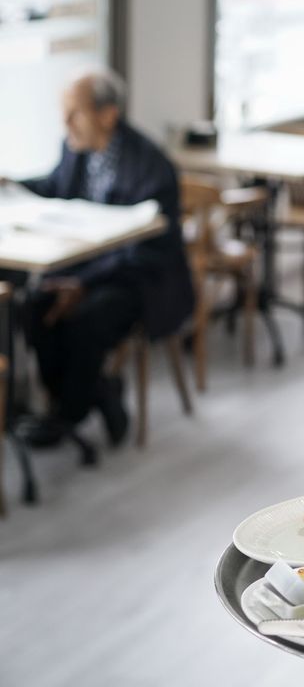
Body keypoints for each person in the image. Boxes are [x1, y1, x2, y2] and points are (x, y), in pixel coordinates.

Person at [9, 68, 194, 447]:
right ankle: (96, 393)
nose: (65, 123)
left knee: (86, 318)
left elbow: (146, 251)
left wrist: (82, 283)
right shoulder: (75, 149)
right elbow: (54, 187)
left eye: (74, 113)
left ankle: (69, 414)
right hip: (84, 270)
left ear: (107, 114)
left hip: (138, 280)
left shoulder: (150, 165)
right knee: (34, 305)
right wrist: (12, 184)